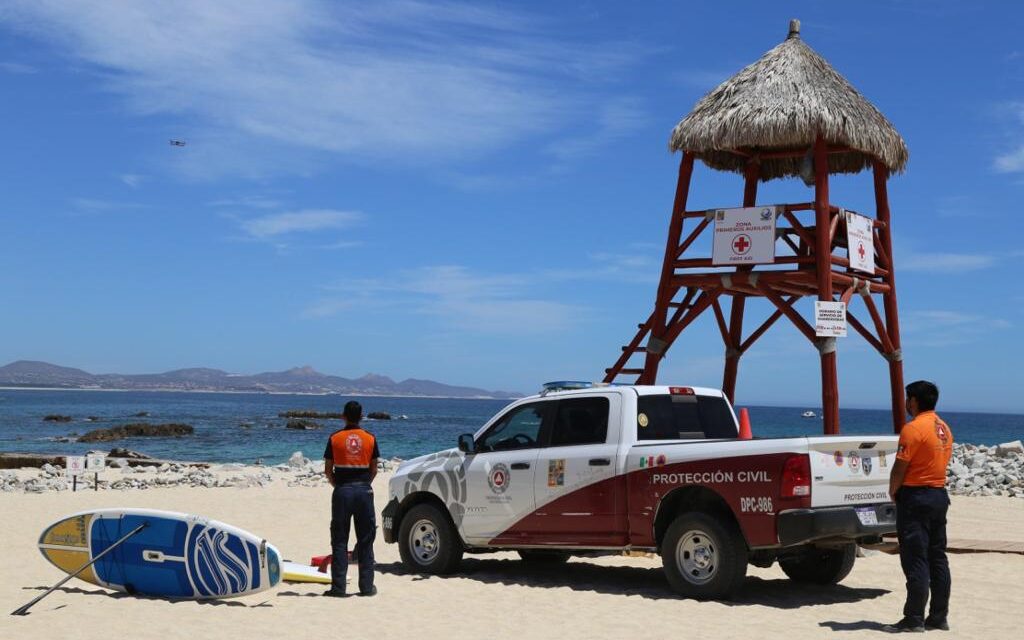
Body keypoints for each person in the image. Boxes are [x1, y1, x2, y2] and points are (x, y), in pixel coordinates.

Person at [884, 380, 953, 633]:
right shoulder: (943, 427)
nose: (905, 403)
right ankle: (938, 616)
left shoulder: (913, 429)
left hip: (916, 497)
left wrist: (893, 490)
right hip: (938, 495)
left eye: (907, 399)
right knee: (938, 557)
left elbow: (900, 466)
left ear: (913, 401)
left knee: (915, 558)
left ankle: (913, 618)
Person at [323, 400, 380, 597]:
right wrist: (365, 485)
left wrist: (338, 486)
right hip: (364, 492)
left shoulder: (335, 438)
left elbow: (327, 470)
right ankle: (366, 587)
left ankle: (338, 588)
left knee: (339, 539)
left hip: (343, 491)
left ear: (343, 416)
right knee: (366, 539)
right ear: (361, 416)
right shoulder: (370, 438)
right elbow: (374, 469)